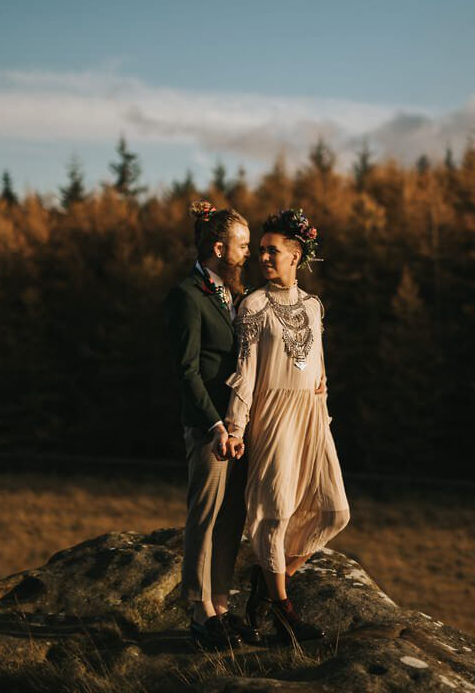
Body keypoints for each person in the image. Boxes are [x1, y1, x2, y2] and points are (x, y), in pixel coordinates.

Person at [225, 208, 350, 643]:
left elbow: (319, 369)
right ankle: (282, 609)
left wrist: (324, 413)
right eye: (259, 250)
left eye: (271, 250)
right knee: (274, 513)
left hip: (312, 417)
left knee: (334, 510)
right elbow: (245, 373)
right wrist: (236, 428)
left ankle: (265, 586)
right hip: (272, 415)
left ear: (296, 255)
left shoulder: (314, 307)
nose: (262, 257)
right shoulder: (253, 306)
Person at [164, 200, 261, 651]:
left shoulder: (235, 295)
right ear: (219, 248)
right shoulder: (186, 295)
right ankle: (201, 614)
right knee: (204, 517)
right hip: (209, 429)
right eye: (242, 245)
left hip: (239, 429)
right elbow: (186, 371)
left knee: (231, 518)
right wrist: (216, 426)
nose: (249, 252)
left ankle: (220, 607)